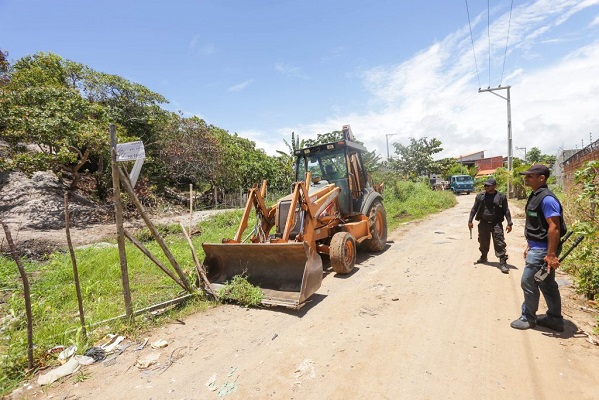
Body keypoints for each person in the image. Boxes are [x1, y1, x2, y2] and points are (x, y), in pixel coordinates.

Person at [511, 164, 566, 332]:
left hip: (543, 251)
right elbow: (539, 225)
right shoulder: (535, 195)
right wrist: (530, 244)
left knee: (528, 281)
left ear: (541, 178)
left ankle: (528, 317)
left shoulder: (547, 199)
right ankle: (555, 319)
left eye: (530, 176)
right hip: (538, 247)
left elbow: (554, 227)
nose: (526, 178)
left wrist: (550, 254)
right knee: (547, 283)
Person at [468, 177, 513, 273]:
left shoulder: (501, 196)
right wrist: (470, 220)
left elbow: (506, 210)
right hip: (483, 223)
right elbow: (474, 209)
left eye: (488, 185)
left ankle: (502, 262)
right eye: (485, 185)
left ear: (494, 186)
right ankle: (483, 257)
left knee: (499, 242)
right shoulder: (480, 196)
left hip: (496, 223)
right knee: (483, 241)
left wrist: (509, 223)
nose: (486, 187)